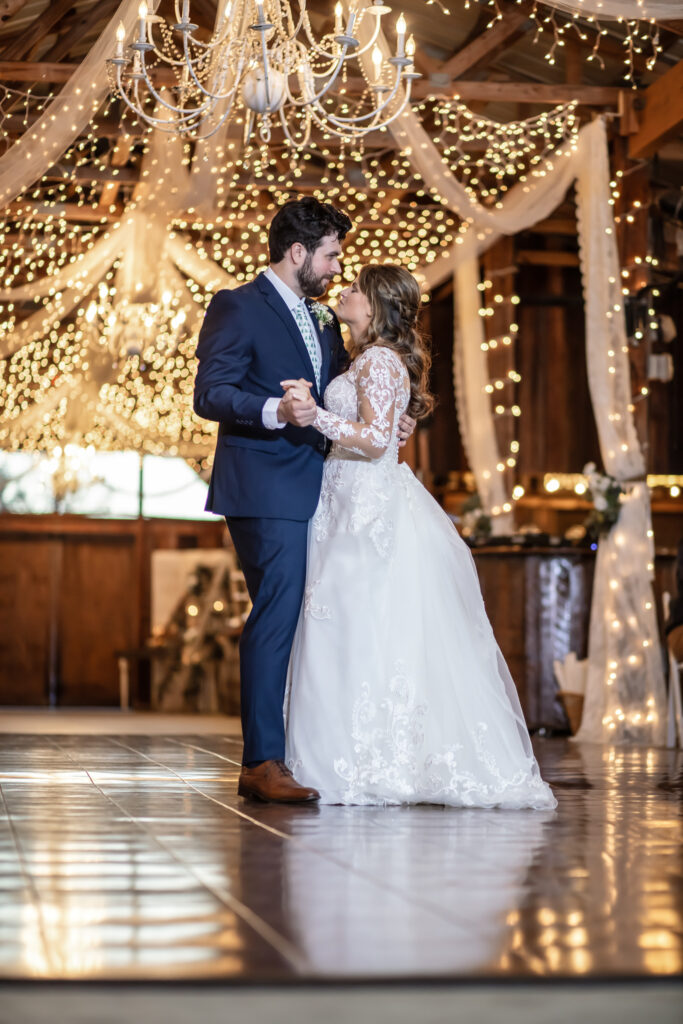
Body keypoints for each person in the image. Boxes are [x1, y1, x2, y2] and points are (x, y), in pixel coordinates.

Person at [284, 264, 557, 810]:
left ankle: (369, 759)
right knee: (349, 626)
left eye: (356, 289)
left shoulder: (381, 360)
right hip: (346, 502)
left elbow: (376, 440)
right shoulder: (365, 358)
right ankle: (342, 753)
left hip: (366, 508)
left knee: (359, 624)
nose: (345, 291)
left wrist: (315, 416)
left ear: (376, 305)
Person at [193, 199, 416, 803]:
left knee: (313, 619)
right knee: (279, 612)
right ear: (298, 253)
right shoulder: (236, 306)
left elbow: (347, 397)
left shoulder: (321, 320)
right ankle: (262, 761)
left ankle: (304, 748)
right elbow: (210, 393)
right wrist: (275, 410)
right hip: (265, 487)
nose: (336, 266)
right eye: (330, 254)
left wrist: (388, 424)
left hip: (326, 494)